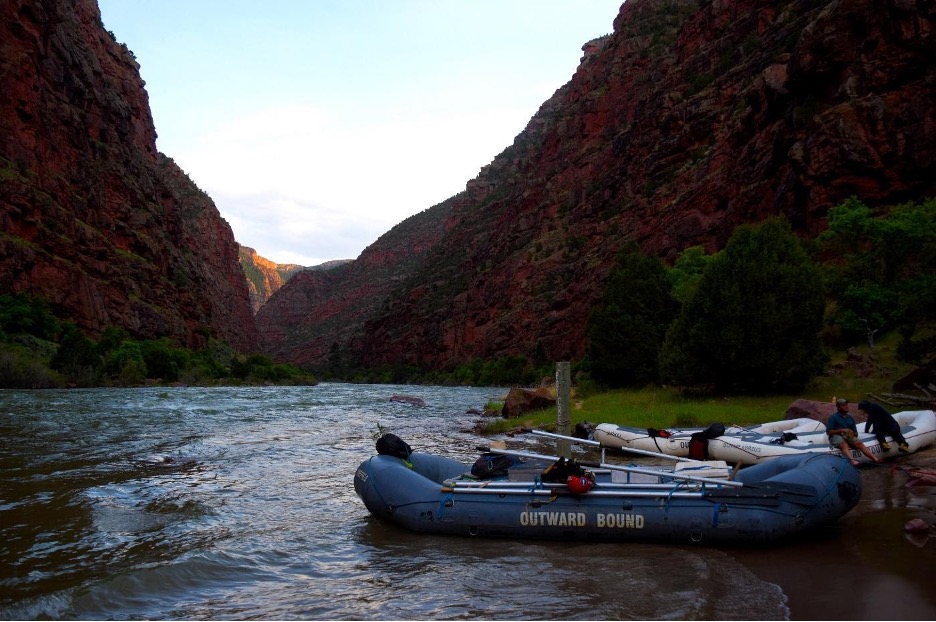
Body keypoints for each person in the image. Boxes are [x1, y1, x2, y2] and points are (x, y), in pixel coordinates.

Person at [826, 398, 882, 465]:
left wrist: (853, 433)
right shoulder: (833, 417)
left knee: (859, 443)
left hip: (848, 435)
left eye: (846, 405)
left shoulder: (850, 418)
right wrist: (842, 430)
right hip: (836, 436)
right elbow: (828, 432)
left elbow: (856, 433)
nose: (846, 406)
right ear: (838, 407)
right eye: (843, 405)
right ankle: (853, 461)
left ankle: (875, 458)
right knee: (844, 444)